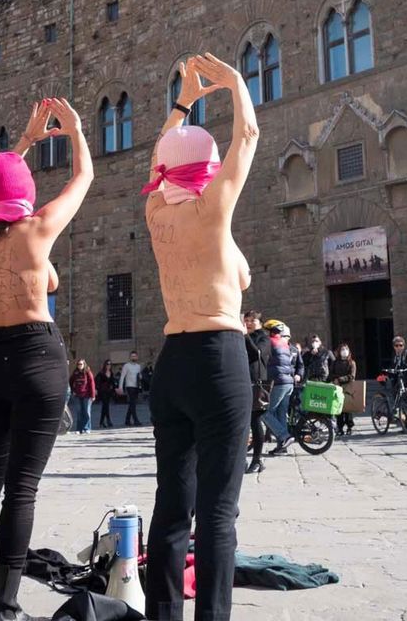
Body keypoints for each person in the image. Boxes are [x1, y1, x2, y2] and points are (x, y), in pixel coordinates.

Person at [0, 96, 92, 621]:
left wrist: (23, 142)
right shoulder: (38, 230)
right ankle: (4, 605)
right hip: (36, 355)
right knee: (21, 488)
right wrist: (72, 131)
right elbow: (84, 178)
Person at [143, 53, 258, 621]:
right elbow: (250, 135)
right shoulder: (213, 209)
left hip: (173, 361)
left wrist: (184, 104)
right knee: (218, 512)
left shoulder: (153, 211)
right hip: (217, 357)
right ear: (208, 168)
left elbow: (159, 161)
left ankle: (163, 614)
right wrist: (235, 85)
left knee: (171, 503)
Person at [261, 320, 302, 456]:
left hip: (278, 382)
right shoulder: (284, 344)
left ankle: (284, 436)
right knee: (280, 414)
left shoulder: (270, 342)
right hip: (288, 382)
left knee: (265, 412)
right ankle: (282, 447)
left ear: (271, 331)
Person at [244, 311, 272, 475]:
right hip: (243, 381)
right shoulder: (244, 336)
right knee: (242, 423)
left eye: (252, 320)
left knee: (255, 421)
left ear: (260, 322)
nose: (248, 323)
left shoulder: (264, 338)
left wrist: (244, 335)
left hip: (257, 383)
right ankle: (242, 459)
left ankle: (257, 459)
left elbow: (256, 354)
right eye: (246, 320)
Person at [329, 344, 356, 436]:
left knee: (348, 408)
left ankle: (349, 426)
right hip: (337, 387)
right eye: (342, 349)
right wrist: (334, 380)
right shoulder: (335, 362)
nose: (344, 351)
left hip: (348, 387)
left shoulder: (351, 363)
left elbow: (352, 376)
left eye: (346, 349)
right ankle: (339, 427)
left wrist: (340, 379)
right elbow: (331, 374)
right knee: (338, 408)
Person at [69, 360, 96, 434]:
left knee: (87, 412)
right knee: (79, 412)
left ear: (84, 364)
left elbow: (92, 384)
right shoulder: (75, 373)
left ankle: (87, 428)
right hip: (77, 395)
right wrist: (73, 390)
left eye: (81, 364)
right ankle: (79, 429)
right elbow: (71, 381)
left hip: (86, 395)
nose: (79, 366)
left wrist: (93, 395)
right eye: (78, 364)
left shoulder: (88, 372)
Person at [118, 351, 143, 426]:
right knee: (133, 403)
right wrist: (120, 387)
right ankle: (136, 420)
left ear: (137, 357)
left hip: (136, 386)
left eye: (135, 356)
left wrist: (140, 377)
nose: (133, 357)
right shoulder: (126, 366)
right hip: (129, 386)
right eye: (132, 356)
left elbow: (139, 376)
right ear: (130, 357)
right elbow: (122, 376)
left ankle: (127, 420)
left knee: (132, 404)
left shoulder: (138, 366)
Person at [95, 360, 116, 429]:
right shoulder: (101, 373)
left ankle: (101, 422)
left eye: (110, 364)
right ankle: (108, 420)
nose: (108, 366)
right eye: (107, 364)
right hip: (102, 391)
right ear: (105, 365)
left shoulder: (111, 373)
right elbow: (97, 382)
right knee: (106, 406)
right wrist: (96, 390)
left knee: (105, 407)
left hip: (109, 392)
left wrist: (114, 389)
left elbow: (113, 382)